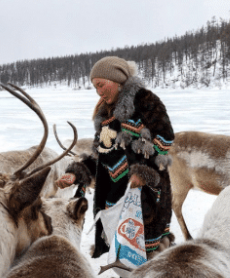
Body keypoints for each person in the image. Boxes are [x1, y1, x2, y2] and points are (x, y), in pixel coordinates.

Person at [55, 56, 175, 259]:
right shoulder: (105, 117)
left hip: (144, 199)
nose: (99, 92)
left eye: (101, 85)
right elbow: (100, 157)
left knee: (148, 259)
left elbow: (164, 139)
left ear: (117, 79)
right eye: (95, 87)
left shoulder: (146, 102)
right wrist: (77, 174)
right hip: (113, 200)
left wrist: (143, 173)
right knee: (120, 258)